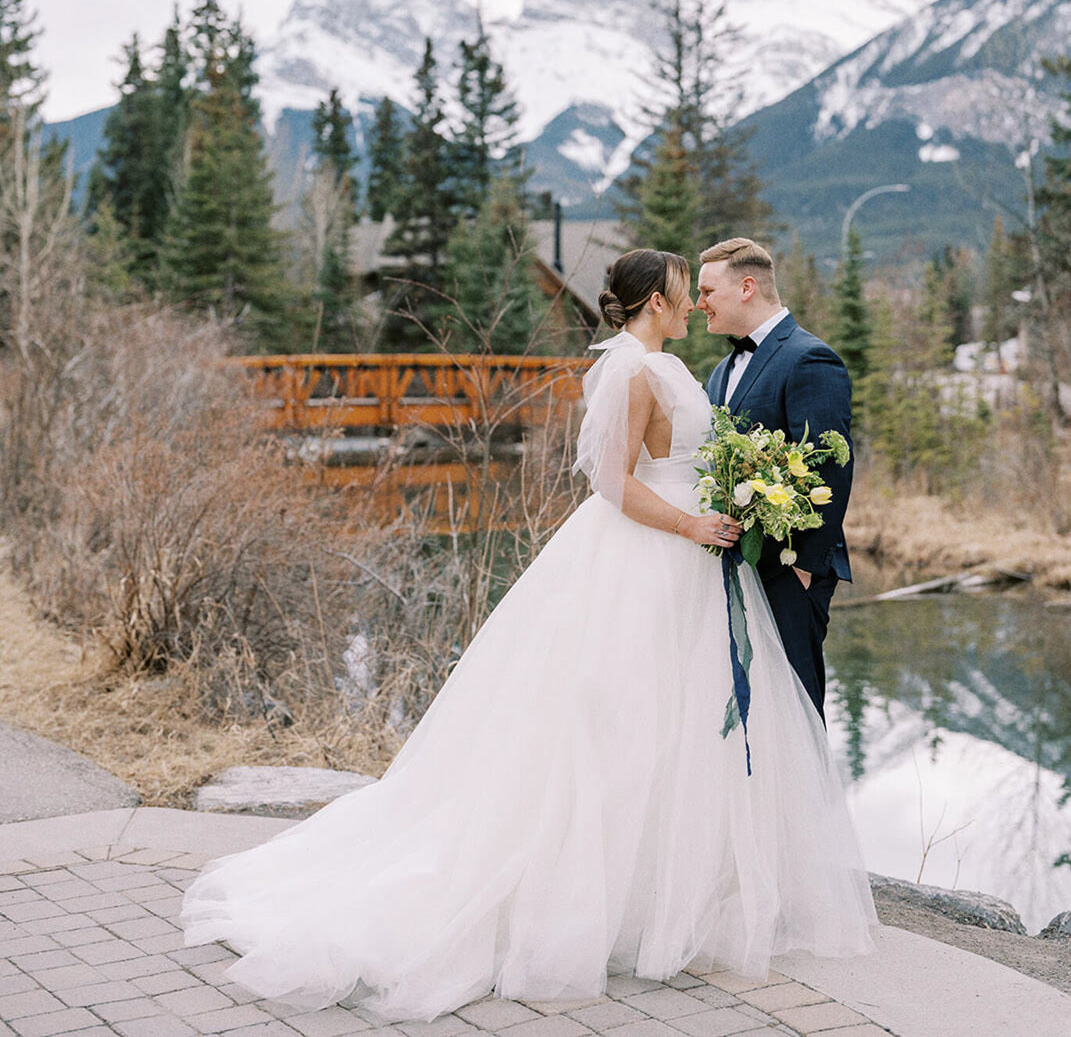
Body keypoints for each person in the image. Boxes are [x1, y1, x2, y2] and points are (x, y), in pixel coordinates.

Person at [180, 249, 875, 1021]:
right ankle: (621, 895)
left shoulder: (701, 365)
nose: (696, 304)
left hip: (709, 569)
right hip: (657, 558)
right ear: (654, 301)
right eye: (688, 293)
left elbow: (802, 467)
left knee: (687, 725)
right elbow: (613, 482)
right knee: (616, 719)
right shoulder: (643, 371)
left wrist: (785, 550)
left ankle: (714, 882)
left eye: (704, 291)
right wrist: (690, 522)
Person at [698, 239, 853, 721]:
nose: (698, 303)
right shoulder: (720, 372)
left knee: (793, 714)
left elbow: (832, 468)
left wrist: (803, 568)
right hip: (732, 568)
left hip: (788, 572)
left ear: (747, 287)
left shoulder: (809, 358)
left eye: (707, 291)